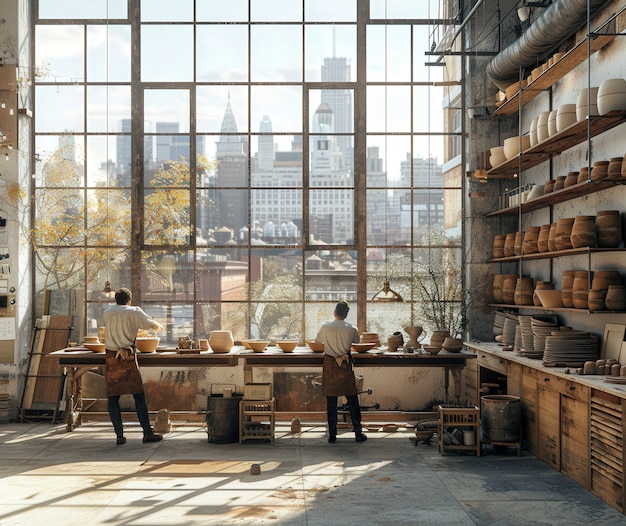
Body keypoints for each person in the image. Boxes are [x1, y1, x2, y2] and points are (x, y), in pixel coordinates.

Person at [103, 287, 165, 445]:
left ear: (116, 299)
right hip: (128, 356)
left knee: (113, 397)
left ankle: (119, 436)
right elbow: (152, 325)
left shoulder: (107, 312)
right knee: (138, 396)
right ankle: (147, 433)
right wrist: (161, 327)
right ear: (129, 300)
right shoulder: (134, 311)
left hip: (111, 356)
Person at [315, 301, 367, 444]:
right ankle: (358, 433)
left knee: (331, 401)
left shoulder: (325, 327)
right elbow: (357, 342)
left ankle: (332, 435)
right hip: (345, 364)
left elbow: (317, 340)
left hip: (330, 364)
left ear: (335, 312)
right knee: (352, 399)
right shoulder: (351, 329)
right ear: (346, 314)